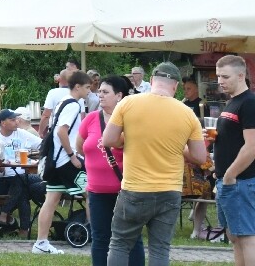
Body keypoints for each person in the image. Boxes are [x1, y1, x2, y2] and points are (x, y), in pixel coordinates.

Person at [102, 61, 206, 266]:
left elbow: (108, 140)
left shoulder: (128, 103)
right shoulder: (187, 113)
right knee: (160, 249)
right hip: (169, 190)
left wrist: (127, 139)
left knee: (120, 244)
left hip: (134, 189)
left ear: (151, 81)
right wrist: (178, 148)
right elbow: (200, 157)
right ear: (175, 86)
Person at [75, 75, 142, 266]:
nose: (100, 95)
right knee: (100, 237)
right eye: (99, 91)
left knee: (131, 237)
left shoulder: (130, 121)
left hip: (125, 190)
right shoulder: (90, 118)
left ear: (119, 96)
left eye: (105, 92)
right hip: (96, 190)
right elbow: (80, 147)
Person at [33, 69, 91, 254]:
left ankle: (41, 243)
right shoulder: (74, 104)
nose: (89, 91)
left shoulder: (61, 103)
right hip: (66, 160)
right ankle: (96, 236)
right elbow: (61, 131)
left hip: (56, 161)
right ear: (78, 86)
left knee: (51, 200)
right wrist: (72, 155)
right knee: (92, 193)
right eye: (88, 87)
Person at [213, 54, 255, 266]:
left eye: (225, 76)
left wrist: (230, 175)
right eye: (218, 76)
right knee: (235, 237)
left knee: (247, 238)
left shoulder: (249, 102)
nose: (220, 81)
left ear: (241, 76)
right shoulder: (232, 102)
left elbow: (252, 146)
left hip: (241, 182)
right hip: (226, 181)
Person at [0, 108, 45, 234]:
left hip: (22, 176)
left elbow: (43, 144)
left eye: (17, 119)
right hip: (2, 179)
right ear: (2, 123)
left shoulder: (22, 133)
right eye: (12, 120)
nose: (16, 122)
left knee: (23, 182)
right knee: (22, 187)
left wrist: (39, 158)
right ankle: (24, 230)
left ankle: (5, 213)